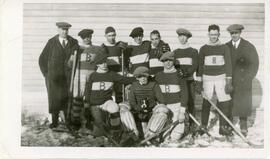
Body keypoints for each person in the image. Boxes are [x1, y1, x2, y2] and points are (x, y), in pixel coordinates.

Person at [84, 52, 136, 141]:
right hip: (94, 104)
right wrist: (86, 105)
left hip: (106, 102)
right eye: (101, 63)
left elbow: (124, 79)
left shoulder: (111, 74)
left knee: (115, 107)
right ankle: (100, 130)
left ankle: (115, 133)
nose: (104, 65)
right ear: (97, 64)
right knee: (99, 127)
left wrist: (138, 78)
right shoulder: (93, 75)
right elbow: (87, 91)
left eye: (105, 62)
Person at [38, 22, 79, 129]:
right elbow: (42, 59)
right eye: (62, 29)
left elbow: (77, 55)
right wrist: (46, 74)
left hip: (68, 77)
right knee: (54, 99)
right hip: (54, 78)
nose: (64, 32)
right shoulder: (51, 42)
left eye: (66, 30)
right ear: (58, 30)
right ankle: (55, 121)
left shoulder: (73, 42)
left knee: (67, 98)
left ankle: (68, 121)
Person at [196, 24, 233, 136]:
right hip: (207, 78)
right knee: (206, 101)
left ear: (219, 34)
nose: (213, 37)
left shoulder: (224, 48)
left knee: (224, 101)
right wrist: (199, 82)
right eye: (211, 34)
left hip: (221, 77)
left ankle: (223, 127)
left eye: (215, 34)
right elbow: (200, 66)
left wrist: (228, 81)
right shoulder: (203, 48)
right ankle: (203, 126)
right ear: (208, 34)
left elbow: (228, 65)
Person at [226, 24, 259, 136]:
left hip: (244, 80)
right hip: (230, 80)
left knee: (243, 102)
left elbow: (255, 63)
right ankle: (229, 124)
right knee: (230, 102)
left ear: (240, 33)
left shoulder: (248, 46)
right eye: (232, 33)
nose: (234, 35)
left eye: (236, 33)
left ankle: (243, 124)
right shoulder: (226, 46)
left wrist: (248, 77)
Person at [155, 52, 188, 142]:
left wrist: (182, 112)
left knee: (175, 137)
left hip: (176, 106)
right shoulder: (158, 76)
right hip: (163, 106)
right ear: (162, 62)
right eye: (165, 61)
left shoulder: (179, 75)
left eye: (170, 60)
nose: (168, 63)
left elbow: (185, 94)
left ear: (173, 61)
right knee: (163, 137)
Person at [129, 66, 169, 141]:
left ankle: (151, 135)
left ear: (148, 76)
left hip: (151, 112)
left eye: (145, 76)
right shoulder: (134, 86)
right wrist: (139, 108)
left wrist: (155, 107)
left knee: (163, 111)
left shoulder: (154, 85)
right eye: (140, 77)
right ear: (137, 78)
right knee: (124, 110)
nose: (143, 78)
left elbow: (161, 100)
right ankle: (132, 135)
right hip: (139, 113)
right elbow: (132, 101)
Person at [173, 28, 198, 128]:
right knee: (181, 102)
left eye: (184, 36)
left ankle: (192, 124)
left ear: (187, 38)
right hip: (179, 82)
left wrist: (186, 73)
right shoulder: (175, 52)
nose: (182, 38)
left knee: (191, 102)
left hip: (189, 81)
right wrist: (179, 73)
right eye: (180, 36)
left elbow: (195, 65)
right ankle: (181, 124)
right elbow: (174, 66)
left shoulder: (193, 51)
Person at [101, 26, 127, 104]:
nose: (112, 38)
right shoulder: (103, 47)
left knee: (119, 94)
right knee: (108, 94)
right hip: (108, 74)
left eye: (113, 35)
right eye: (109, 36)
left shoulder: (120, 46)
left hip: (118, 73)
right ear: (105, 36)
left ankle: (120, 111)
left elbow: (124, 60)